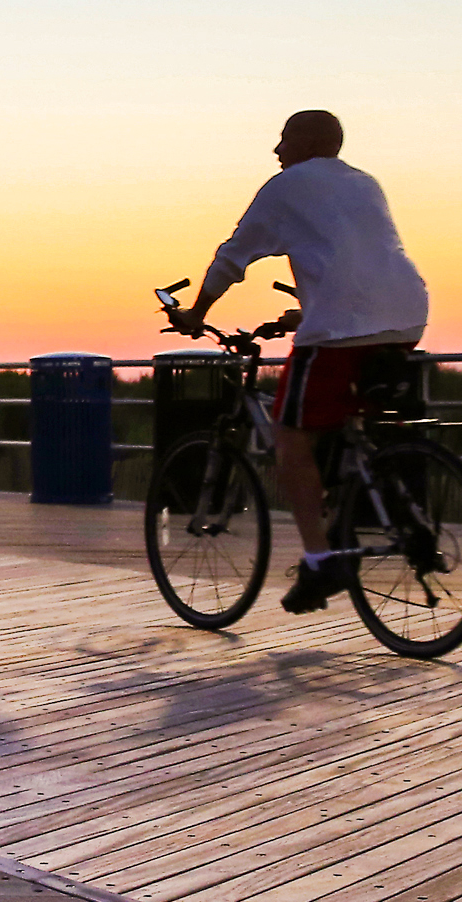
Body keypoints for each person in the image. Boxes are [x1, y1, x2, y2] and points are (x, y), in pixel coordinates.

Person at [171, 109, 430, 612]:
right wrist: (306, 311)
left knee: (289, 436)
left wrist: (197, 313)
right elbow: (353, 259)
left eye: (285, 138)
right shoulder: (365, 183)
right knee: (348, 425)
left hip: (340, 329)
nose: (276, 149)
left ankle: (320, 559)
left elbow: (233, 257)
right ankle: (390, 512)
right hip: (406, 315)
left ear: (310, 142)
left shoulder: (286, 186)